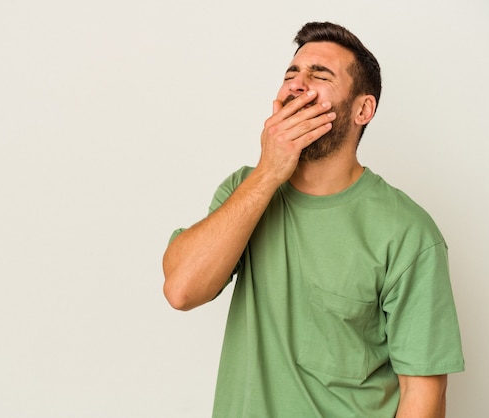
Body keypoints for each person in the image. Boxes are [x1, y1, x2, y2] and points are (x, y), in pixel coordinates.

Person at [162, 21, 464, 417]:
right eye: (291, 74)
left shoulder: (407, 232)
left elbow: (423, 396)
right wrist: (268, 171)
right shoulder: (245, 189)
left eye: (319, 75)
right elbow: (181, 290)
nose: (297, 84)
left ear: (363, 109)